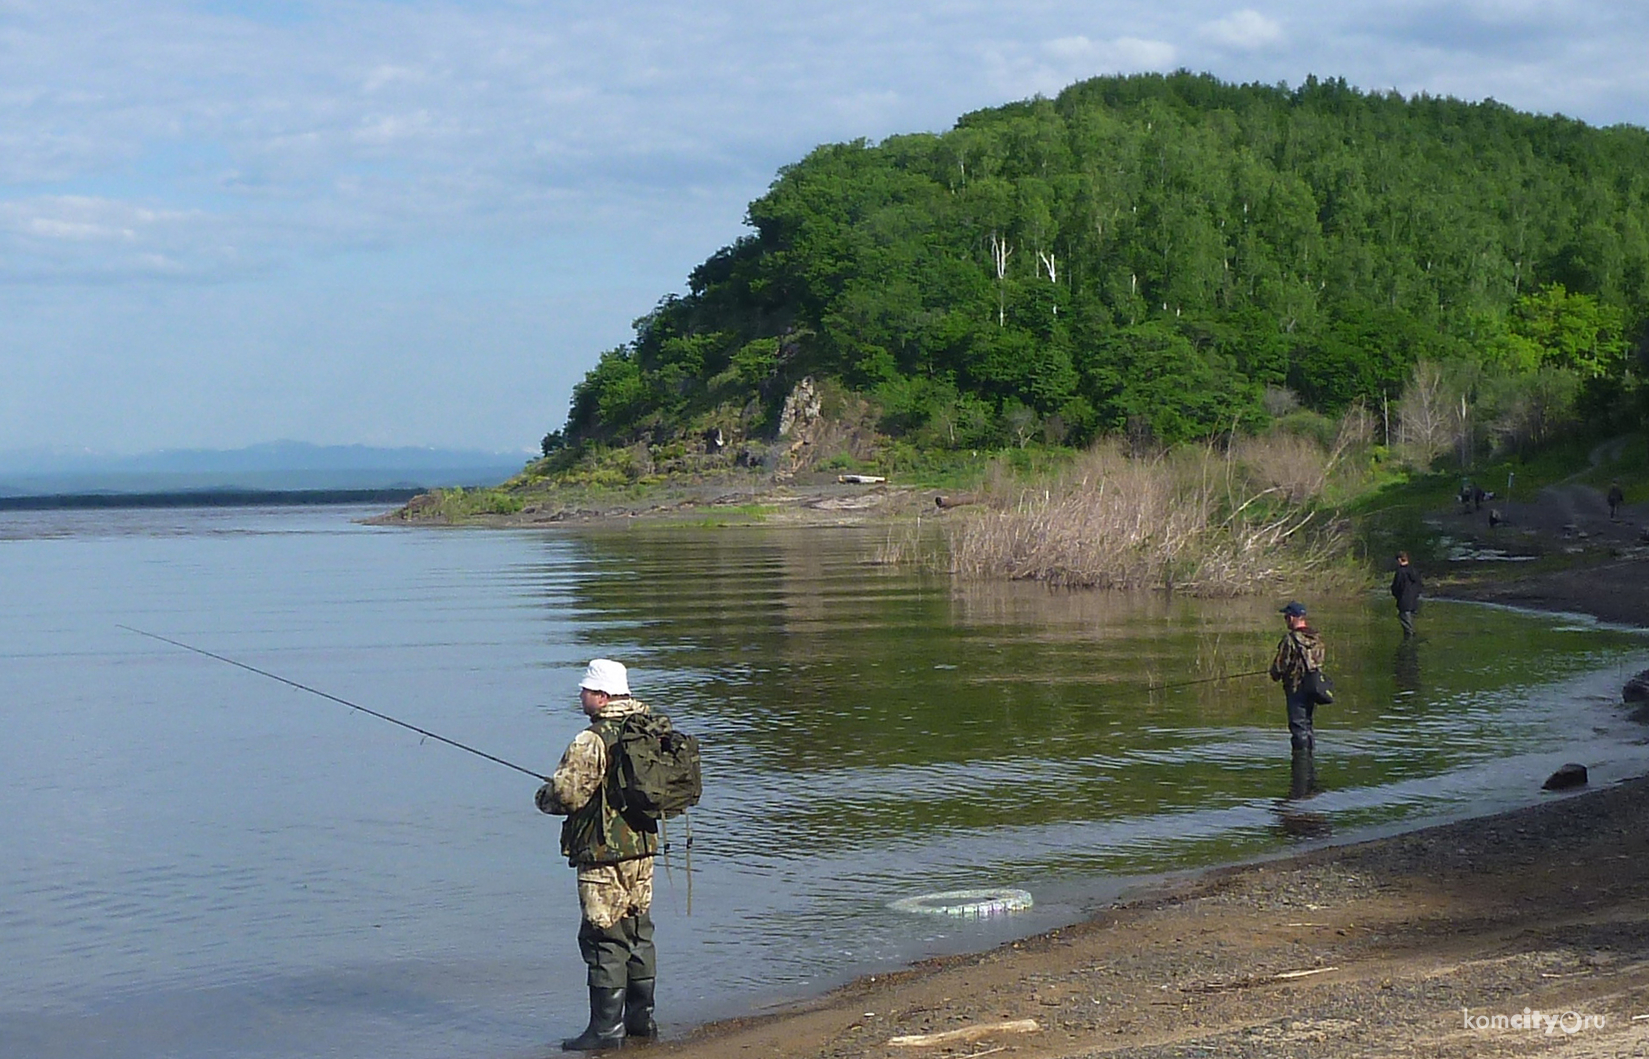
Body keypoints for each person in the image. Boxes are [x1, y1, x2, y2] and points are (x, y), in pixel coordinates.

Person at [536, 659, 660, 1051]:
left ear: (602, 696)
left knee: (603, 936)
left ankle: (606, 1032)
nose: (581, 697)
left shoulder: (592, 739)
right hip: (642, 848)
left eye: (586, 691)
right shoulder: (649, 727)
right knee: (638, 930)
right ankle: (641, 1022)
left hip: (603, 855)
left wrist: (544, 796)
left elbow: (566, 795)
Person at [1269, 602, 1326, 795]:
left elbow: (1280, 665)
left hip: (1296, 688)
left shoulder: (1290, 639)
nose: (1285, 620)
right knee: (1308, 725)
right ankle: (1309, 765)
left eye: (1286, 617)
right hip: (1314, 687)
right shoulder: (1316, 637)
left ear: (1293, 617)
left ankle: (1300, 772)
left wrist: (1275, 674)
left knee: (1298, 727)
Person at [1390, 551, 1422, 638]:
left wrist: (1396, 596)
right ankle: (1414, 645)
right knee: (1413, 625)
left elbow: (1397, 587)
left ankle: (1408, 646)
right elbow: (1420, 585)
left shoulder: (1400, 572)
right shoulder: (1414, 571)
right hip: (1414, 602)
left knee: (1408, 629)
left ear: (1399, 560)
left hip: (1404, 602)